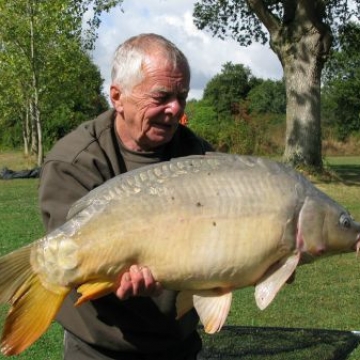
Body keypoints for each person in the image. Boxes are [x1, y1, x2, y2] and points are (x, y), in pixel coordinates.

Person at [39, 33, 213, 360]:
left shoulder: (198, 154)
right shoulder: (75, 160)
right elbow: (67, 260)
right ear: (118, 97)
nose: (175, 109)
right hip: (101, 347)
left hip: (178, 341)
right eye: (161, 96)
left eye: (182, 96)